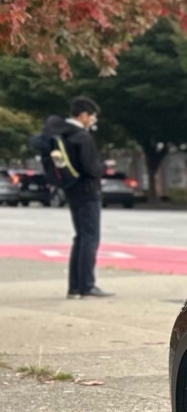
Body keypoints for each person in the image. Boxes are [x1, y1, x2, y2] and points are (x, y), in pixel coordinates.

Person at [54, 97, 111, 299]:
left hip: (72, 190)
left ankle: (74, 286)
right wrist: (103, 167)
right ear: (83, 115)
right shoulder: (82, 137)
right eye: (92, 116)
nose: (93, 120)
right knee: (90, 237)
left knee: (80, 237)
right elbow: (91, 167)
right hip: (88, 191)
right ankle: (87, 285)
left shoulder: (63, 135)